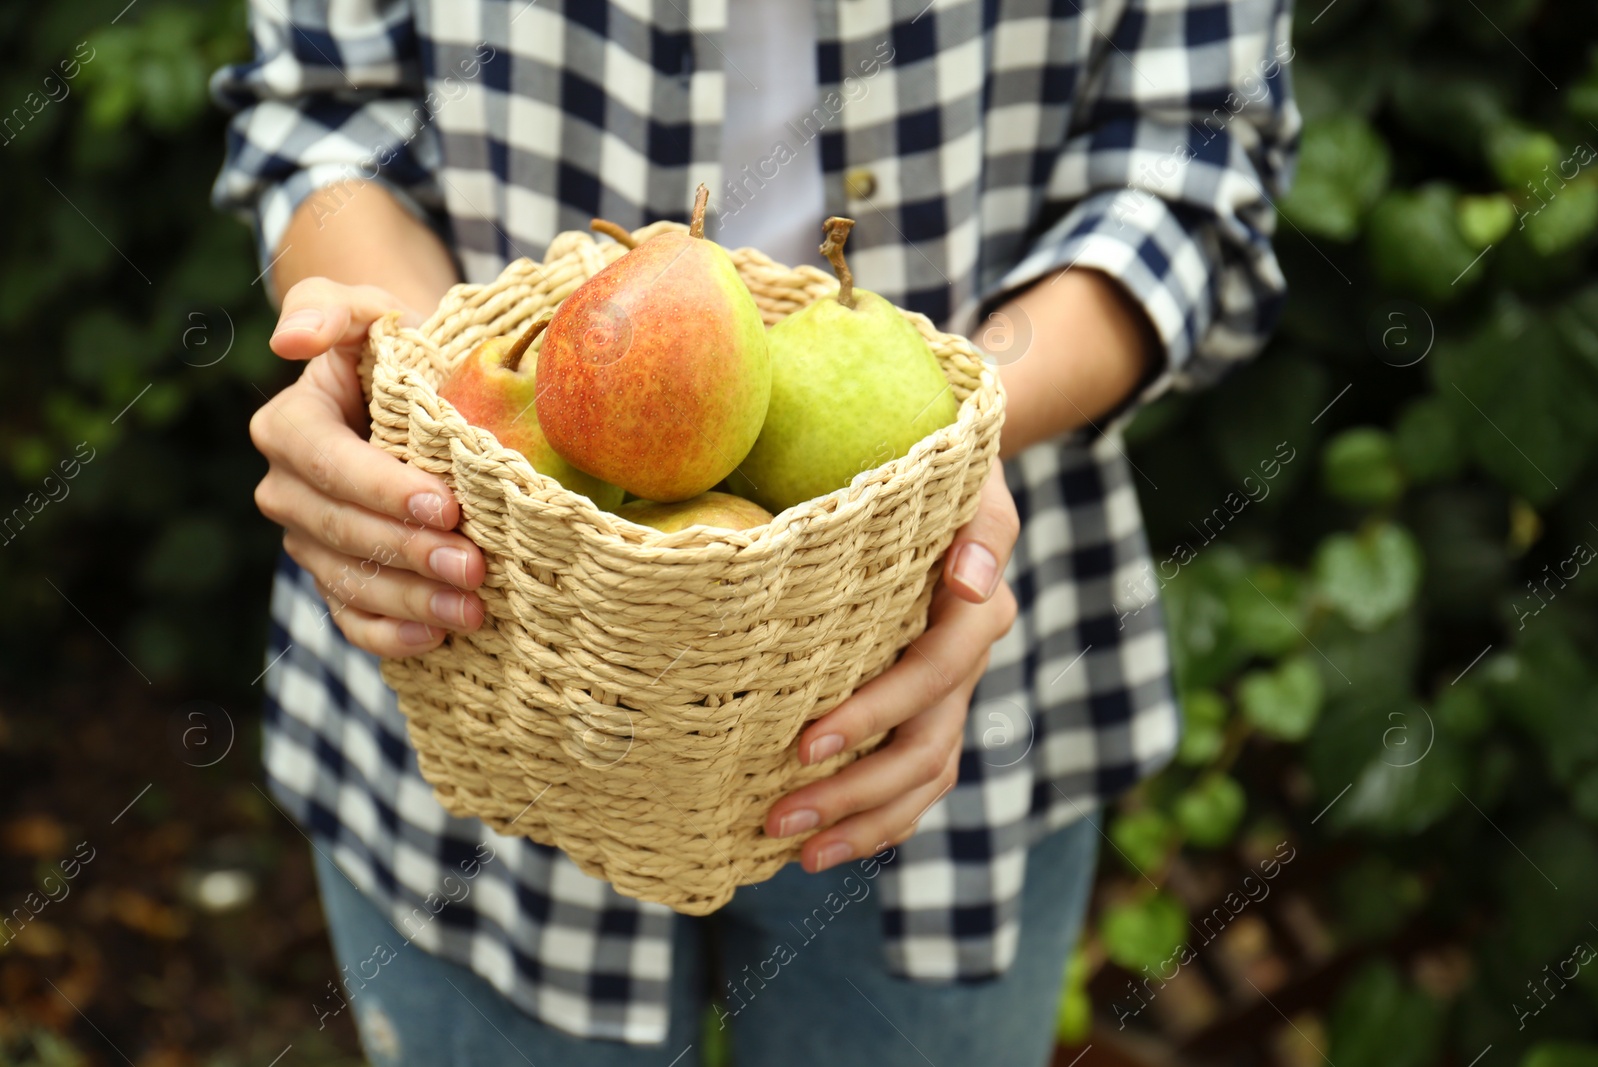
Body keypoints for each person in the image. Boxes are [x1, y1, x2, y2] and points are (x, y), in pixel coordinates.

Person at [215, 1, 1297, 1064]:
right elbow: (322, 107)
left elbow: (1192, 159)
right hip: (477, 634)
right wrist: (409, 392)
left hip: (933, 666)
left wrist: (949, 453)